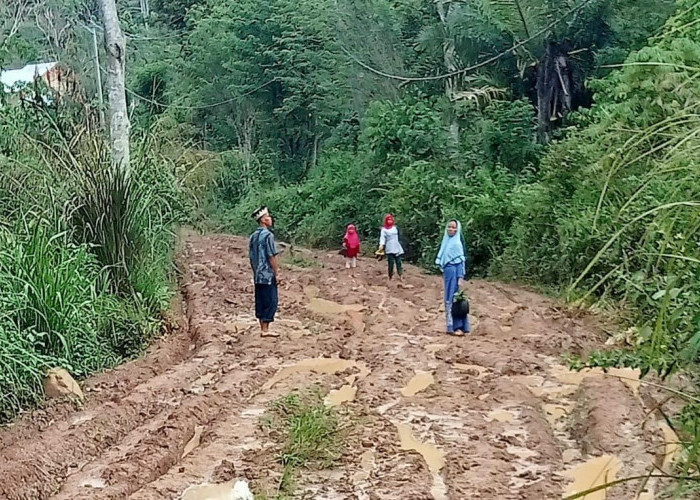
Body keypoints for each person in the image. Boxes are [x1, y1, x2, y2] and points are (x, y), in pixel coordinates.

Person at [249, 206, 282, 337]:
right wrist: (276, 273)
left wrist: (255, 271)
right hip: (267, 274)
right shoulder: (268, 235)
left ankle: (262, 327)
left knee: (260, 300)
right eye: (268, 216)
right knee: (271, 300)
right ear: (263, 220)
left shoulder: (253, 236)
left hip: (258, 274)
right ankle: (266, 330)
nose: (270, 218)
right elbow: (271, 256)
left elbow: (251, 257)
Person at [435, 219, 470, 336]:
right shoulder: (446, 242)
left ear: (457, 229)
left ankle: (458, 326)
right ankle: (450, 326)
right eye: (449, 227)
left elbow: (460, 262)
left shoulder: (456, 244)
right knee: (448, 298)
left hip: (454, 273)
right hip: (448, 273)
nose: (451, 229)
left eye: (453, 227)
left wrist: (460, 277)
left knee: (455, 299)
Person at [378, 214, 404, 283]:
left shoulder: (395, 228)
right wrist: (381, 245)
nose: (389, 221)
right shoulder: (384, 230)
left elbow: (399, 236)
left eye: (391, 220)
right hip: (389, 247)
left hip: (396, 246)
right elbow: (382, 238)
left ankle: (400, 275)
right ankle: (390, 276)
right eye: (388, 220)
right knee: (391, 262)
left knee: (399, 262)